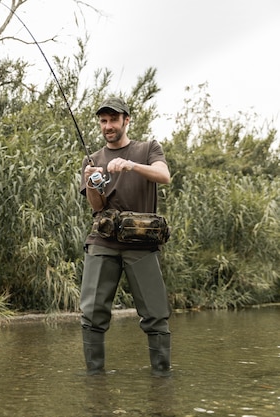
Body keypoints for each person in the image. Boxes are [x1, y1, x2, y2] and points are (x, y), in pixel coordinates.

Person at [79, 96, 172, 377]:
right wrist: (91, 181)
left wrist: (130, 165)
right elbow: (96, 207)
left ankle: (161, 379)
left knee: (156, 316)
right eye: (103, 121)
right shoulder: (92, 159)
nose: (108, 126)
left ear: (126, 120)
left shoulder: (148, 148)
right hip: (103, 242)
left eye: (113, 120)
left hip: (141, 244)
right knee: (92, 315)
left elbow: (164, 176)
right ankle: (95, 379)